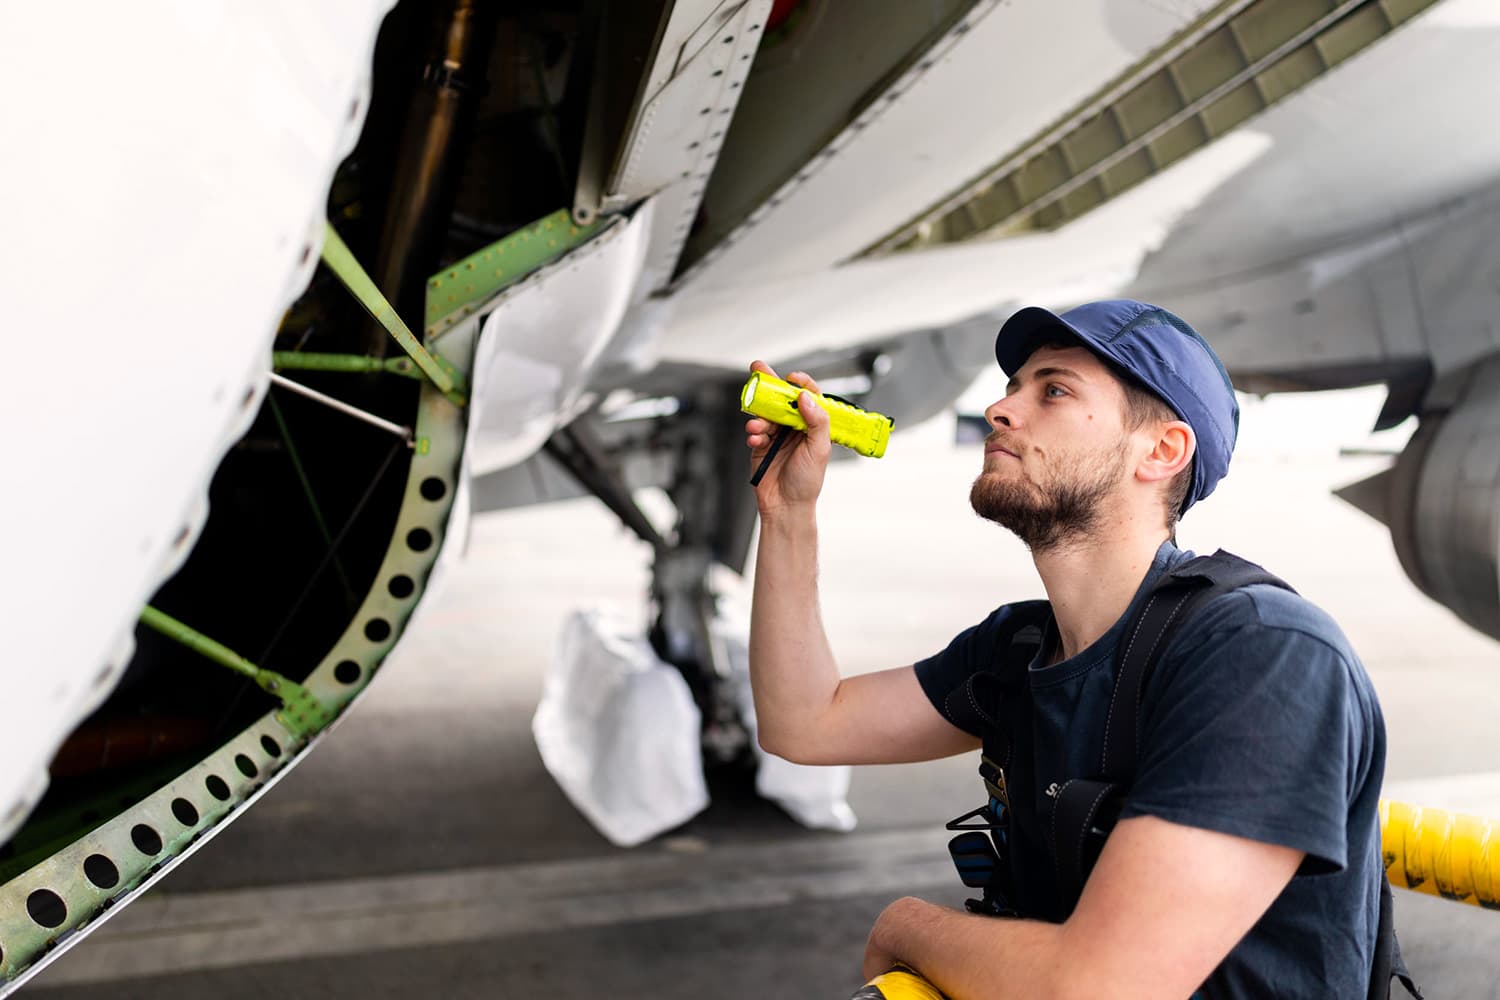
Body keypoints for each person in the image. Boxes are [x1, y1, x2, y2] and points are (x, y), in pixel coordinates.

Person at [742, 299, 1389, 999]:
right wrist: (788, 512)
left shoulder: (1262, 655)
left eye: (1052, 389)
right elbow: (804, 722)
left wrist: (904, 925)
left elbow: (1097, 988)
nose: (1000, 408)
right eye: (1013, 386)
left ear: (1162, 451)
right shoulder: (1017, 647)